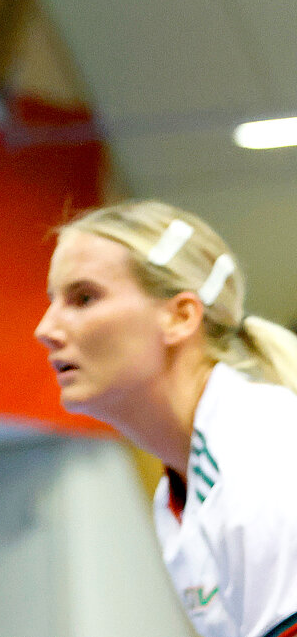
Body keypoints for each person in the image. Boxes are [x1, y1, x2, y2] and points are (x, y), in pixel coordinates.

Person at [36, 200, 297, 637]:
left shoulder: (262, 451)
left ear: (180, 317)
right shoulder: (177, 493)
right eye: (52, 301)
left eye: (83, 298)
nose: (45, 328)